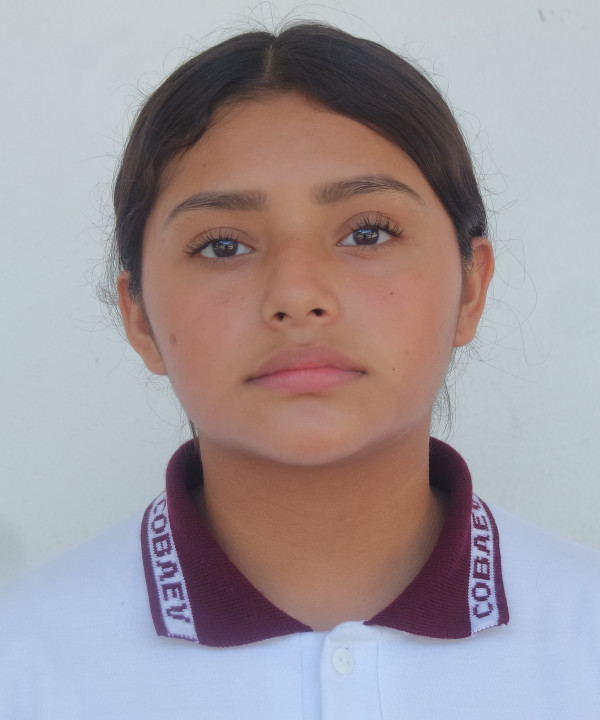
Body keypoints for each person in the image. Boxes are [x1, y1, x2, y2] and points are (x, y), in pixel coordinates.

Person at [1, 22, 599, 719]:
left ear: (470, 287)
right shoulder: (23, 663)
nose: (296, 294)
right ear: (139, 316)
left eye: (367, 233)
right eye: (223, 246)